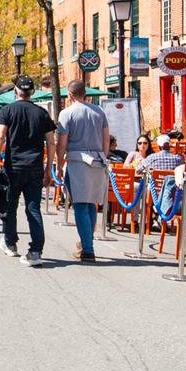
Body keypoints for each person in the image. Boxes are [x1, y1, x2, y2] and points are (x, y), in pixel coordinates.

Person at [0, 76, 56, 265]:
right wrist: (48, 168)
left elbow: (0, 137)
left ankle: (10, 243)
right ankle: (35, 250)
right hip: (35, 167)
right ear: (32, 92)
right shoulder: (42, 113)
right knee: (33, 208)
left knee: (9, 206)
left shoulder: (7, 110)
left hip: (13, 167)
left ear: (16, 91)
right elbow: (51, 142)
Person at [53, 79, 111, 264]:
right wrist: (104, 156)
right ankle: (87, 243)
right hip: (97, 159)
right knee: (90, 204)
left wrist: (58, 162)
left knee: (79, 204)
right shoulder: (99, 111)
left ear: (69, 95)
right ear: (84, 93)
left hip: (77, 160)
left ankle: (87, 248)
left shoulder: (66, 113)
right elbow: (106, 138)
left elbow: (62, 143)